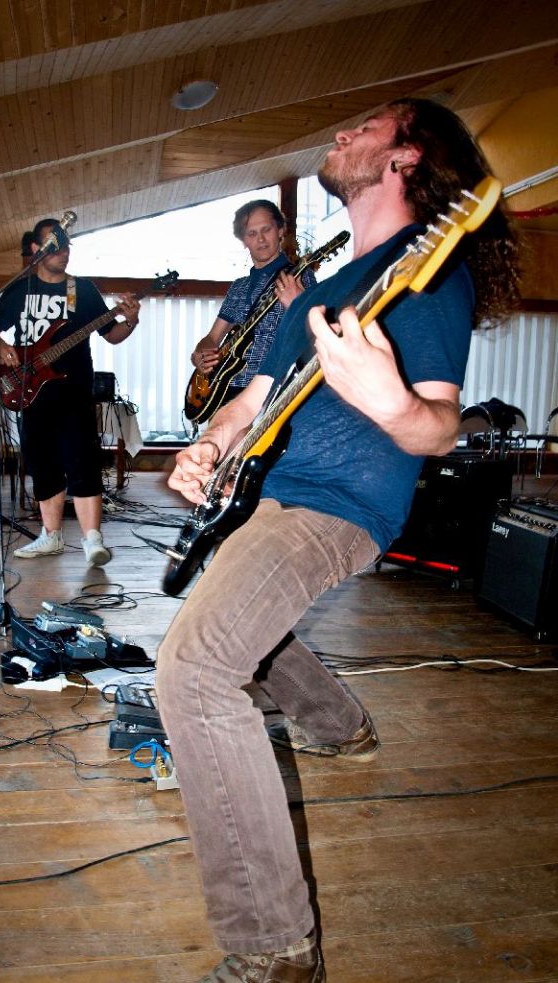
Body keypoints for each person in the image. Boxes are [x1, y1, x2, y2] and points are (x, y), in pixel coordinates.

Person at [156, 98, 520, 983]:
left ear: (407, 157)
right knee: (227, 611)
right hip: (271, 492)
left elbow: (437, 424)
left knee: (194, 669)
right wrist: (209, 446)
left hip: (338, 506)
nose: (341, 133)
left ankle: (276, 950)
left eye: (366, 126)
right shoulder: (315, 293)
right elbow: (252, 402)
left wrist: (389, 399)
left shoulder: (423, 268)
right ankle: (339, 725)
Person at [0, 217, 140, 566]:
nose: (64, 252)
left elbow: (112, 335)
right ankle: (50, 536)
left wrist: (130, 319)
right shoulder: (19, 290)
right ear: (36, 249)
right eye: (56, 246)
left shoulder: (81, 290)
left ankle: (92, 540)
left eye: (67, 245)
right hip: (30, 390)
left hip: (74, 391)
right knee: (42, 464)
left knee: (82, 461)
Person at [190, 200, 315, 406]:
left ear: (280, 230)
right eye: (252, 233)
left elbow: (315, 334)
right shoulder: (239, 287)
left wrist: (299, 305)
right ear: (243, 240)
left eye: (266, 229)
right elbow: (213, 338)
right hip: (227, 392)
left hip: (274, 391)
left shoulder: (299, 276)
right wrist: (200, 354)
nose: (261, 239)